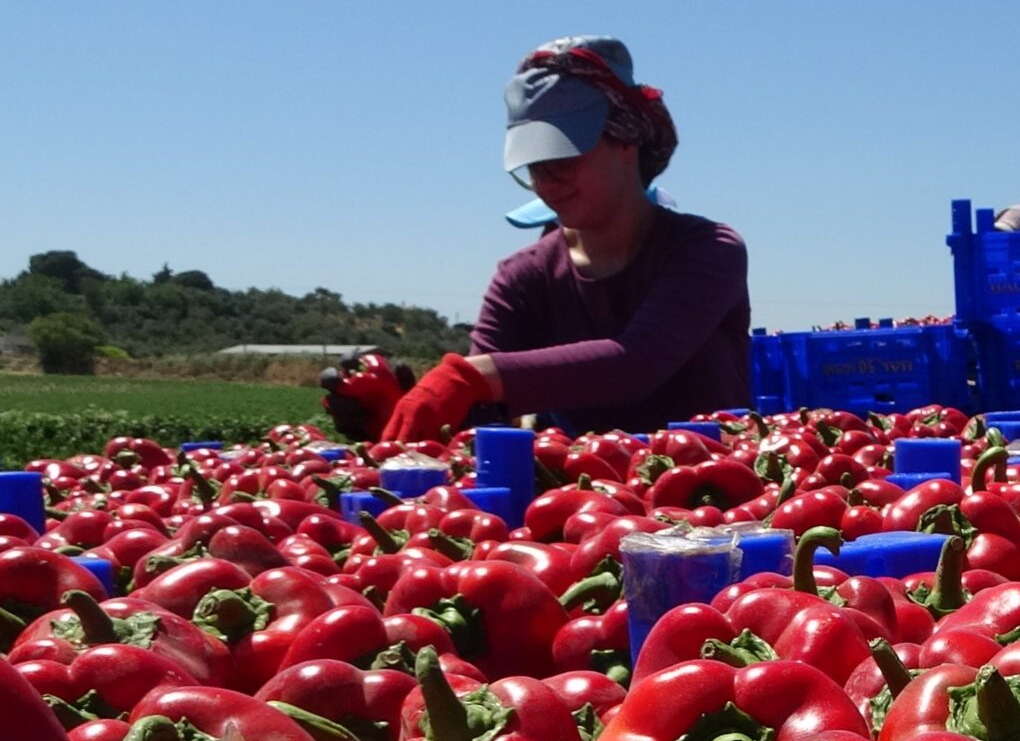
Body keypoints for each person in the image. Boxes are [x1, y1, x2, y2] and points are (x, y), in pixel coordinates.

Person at [321, 36, 752, 442]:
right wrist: (403, 412)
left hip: (727, 505)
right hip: (590, 507)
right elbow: (487, 417)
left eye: (562, 154)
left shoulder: (707, 251)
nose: (547, 179)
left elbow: (636, 363)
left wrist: (471, 378)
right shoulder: (522, 279)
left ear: (627, 139)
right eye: (533, 164)